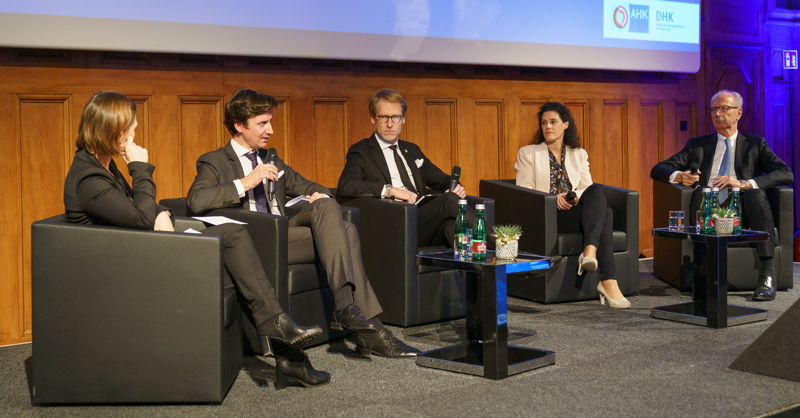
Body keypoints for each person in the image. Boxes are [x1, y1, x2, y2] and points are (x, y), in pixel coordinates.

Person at [64, 91, 330, 388]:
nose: (135, 133)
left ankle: (284, 347)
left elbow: (138, 210)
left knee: (232, 235)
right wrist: (138, 169)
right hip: (123, 268)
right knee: (235, 250)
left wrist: (162, 212)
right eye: (131, 128)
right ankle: (286, 349)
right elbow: (140, 215)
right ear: (113, 131)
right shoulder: (89, 178)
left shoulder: (101, 166)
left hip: (139, 249)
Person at [187, 89, 419, 358]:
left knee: (329, 209)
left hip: (286, 234)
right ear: (239, 125)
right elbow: (196, 200)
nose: (271, 130)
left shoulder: (270, 159)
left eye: (270, 122)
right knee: (345, 230)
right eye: (262, 123)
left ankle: (349, 311)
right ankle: (366, 325)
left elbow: (314, 186)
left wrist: (318, 195)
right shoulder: (214, 161)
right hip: (255, 242)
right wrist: (245, 182)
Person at [651, 90, 793, 301]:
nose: (718, 114)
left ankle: (767, 275)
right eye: (714, 109)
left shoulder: (755, 144)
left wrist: (745, 183)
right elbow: (658, 169)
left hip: (743, 204)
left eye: (724, 108)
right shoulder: (698, 145)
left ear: (738, 113)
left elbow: (785, 172)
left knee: (755, 195)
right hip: (709, 204)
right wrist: (679, 176)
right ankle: (702, 272)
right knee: (702, 192)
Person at [515, 101, 630, 309]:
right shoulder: (528, 153)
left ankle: (591, 252)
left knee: (597, 190)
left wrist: (572, 196)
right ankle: (607, 279)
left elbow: (586, 186)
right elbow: (525, 194)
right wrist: (553, 199)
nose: (548, 127)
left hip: (574, 212)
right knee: (607, 213)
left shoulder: (579, 154)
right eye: (544, 123)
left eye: (553, 122)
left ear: (566, 124)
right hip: (549, 216)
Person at [338, 89, 473, 248]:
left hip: (421, 220)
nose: (390, 124)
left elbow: (442, 179)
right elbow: (346, 184)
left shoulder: (412, 150)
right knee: (450, 201)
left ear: (403, 120)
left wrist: (455, 188)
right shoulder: (362, 151)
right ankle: (500, 243)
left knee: (454, 227)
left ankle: (482, 270)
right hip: (393, 223)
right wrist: (391, 190)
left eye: (395, 117)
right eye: (383, 117)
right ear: (373, 118)